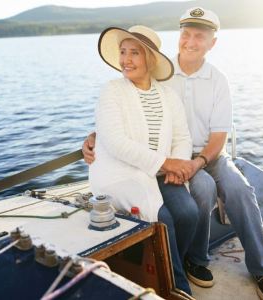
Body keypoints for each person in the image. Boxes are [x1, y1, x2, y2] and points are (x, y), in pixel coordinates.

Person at [84, 8, 263, 300]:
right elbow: (128, 117)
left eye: (198, 37)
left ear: (211, 43)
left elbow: (217, 137)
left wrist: (194, 162)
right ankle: (194, 261)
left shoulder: (218, 80)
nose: (190, 42)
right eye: (185, 34)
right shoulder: (161, 75)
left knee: (240, 190)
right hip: (167, 160)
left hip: (207, 155)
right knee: (201, 189)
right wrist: (93, 137)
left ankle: (262, 269)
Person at [89, 24, 198, 296]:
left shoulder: (167, 95)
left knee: (189, 213)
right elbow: (115, 142)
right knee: (163, 220)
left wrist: (178, 166)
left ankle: (174, 265)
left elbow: (182, 138)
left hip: (160, 172)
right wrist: (165, 163)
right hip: (121, 175)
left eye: (134, 53)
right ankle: (178, 288)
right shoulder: (112, 91)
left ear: (150, 59)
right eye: (123, 52)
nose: (126, 59)